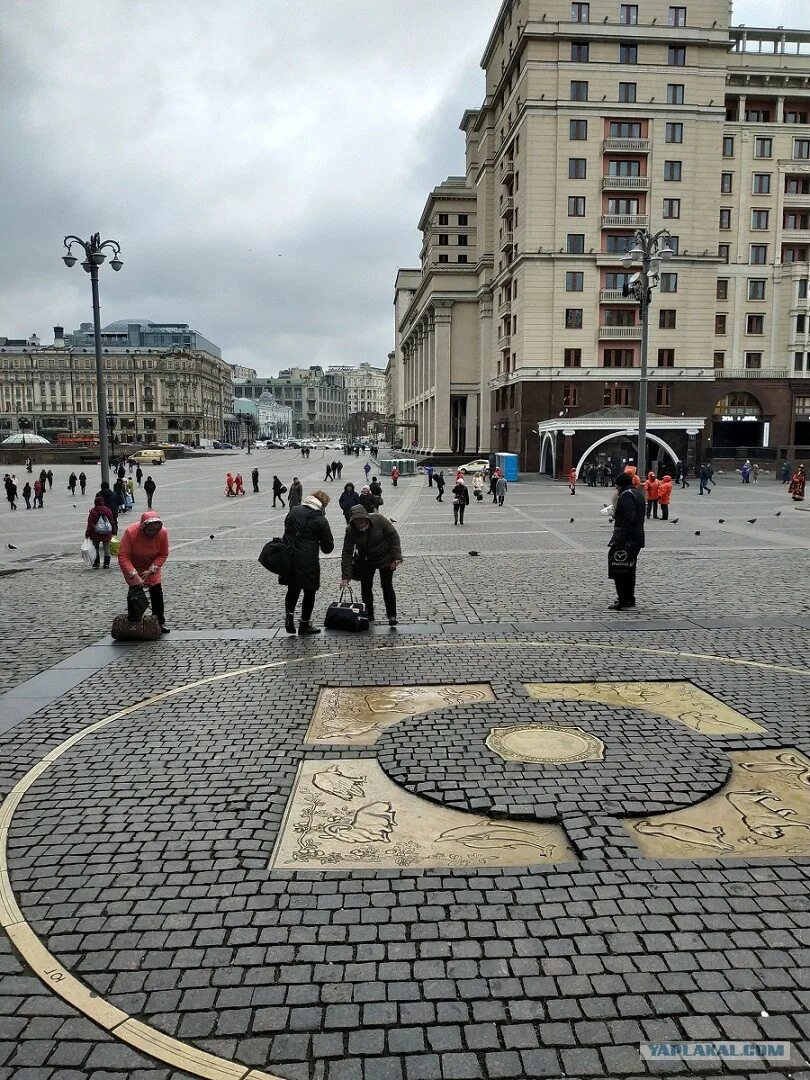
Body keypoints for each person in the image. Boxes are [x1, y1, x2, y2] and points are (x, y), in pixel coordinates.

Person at [280, 490, 334, 635]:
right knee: (309, 591)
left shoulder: (294, 510)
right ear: (322, 504)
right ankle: (304, 624)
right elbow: (328, 547)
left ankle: (289, 617)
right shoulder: (320, 520)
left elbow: (287, 529)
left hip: (290, 556)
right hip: (308, 559)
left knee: (293, 588)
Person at [341, 504, 403, 626]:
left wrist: (396, 558)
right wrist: (345, 577)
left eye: (362, 522)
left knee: (387, 585)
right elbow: (347, 553)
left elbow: (394, 536)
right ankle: (368, 613)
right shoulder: (350, 530)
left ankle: (392, 615)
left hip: (385, 557)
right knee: (366, 587)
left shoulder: (378, 519)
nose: (360, 526)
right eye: (357, 524)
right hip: (366, 560)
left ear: (366, 519)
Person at [118, 510, 171, 633]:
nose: (153, 533)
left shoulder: (162, 533)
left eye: (155, 530)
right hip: (134, 565)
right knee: (135, 594)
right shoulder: (131, 532)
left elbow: (163, 554)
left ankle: (159, 621)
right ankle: (134, 620)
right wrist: (133, 574)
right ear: (143, 527)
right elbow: (123, 556)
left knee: (156, 591)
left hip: (151, 566)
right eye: (150, 530)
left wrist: (152, 569)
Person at [608, 471, 645, 611]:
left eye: (617, 487)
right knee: (630, 568)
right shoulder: (638, 493)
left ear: (622, 485)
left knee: (620, 568)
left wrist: (620, 539)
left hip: (627, 539)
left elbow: (629, 518)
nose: (616, 489)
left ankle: (623, 599)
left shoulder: (627, 495)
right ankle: (630, 598)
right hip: (637, 538)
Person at [86, 493, 116, 568]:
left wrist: (87, 533)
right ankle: (106, 563)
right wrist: (114, 531)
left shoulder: (93, 511)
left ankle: (96, 563)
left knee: (95, 548)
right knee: (106, 548)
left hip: (95, 533)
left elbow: (90, 524)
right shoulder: (107, 510)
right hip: (107, 533)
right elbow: (112, 521)